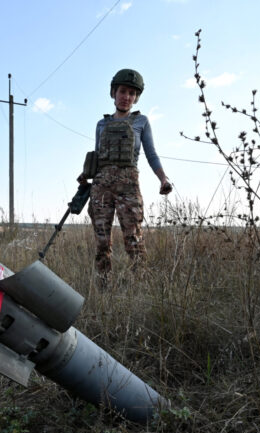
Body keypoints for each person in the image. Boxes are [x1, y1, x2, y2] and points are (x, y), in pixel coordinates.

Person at [78, 68, 172, 284]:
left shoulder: (142, 122)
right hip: (101, 187)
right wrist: (86, 174)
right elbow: (98, 155)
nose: (126, 97)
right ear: (113, 92)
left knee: (134, 239)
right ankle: (103, 286)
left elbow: (151, 154)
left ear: (136, 97)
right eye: (122, 91)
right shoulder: (101, 124)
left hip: (129, 186)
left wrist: (163, 179)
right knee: (102, 241)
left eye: (131, 93)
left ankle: (140, 285)